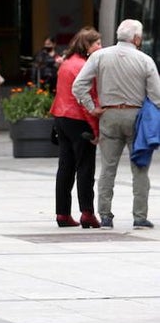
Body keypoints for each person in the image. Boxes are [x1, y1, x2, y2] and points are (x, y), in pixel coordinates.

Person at [72, 19, 160, 229]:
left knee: (107, 168)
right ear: (137, 38)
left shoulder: (99, 56)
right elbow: (157, 96)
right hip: (136, 118)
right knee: (140, 168)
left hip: (108, 115)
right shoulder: (145, 60)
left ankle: (105, 215)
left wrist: (92, 106)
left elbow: (78, 86)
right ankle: (139, 216)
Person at [50, 27, 102, 229]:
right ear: (87, 46)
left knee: (65, 166)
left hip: (61, 117)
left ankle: (62, 213)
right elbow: (87, 98)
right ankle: (87, 213)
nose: (100, 46)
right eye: (97, 43)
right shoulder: (84, 66)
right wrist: (95, 130)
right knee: (85, 167)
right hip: (78, 119)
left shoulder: (66, 63)